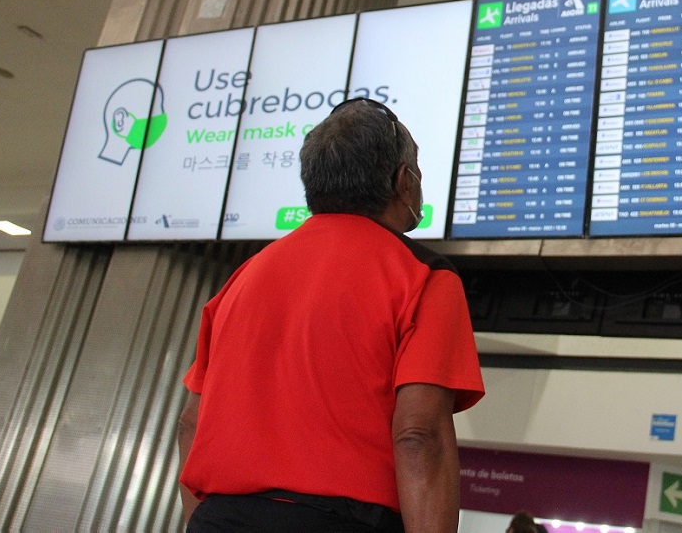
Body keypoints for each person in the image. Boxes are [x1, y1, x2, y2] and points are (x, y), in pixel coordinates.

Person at [177, 97, 485, 532]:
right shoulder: (425, 277)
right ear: (404, 181)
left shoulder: (243, 278)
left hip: (220, 517)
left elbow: (191, 423)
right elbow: (420, 436)